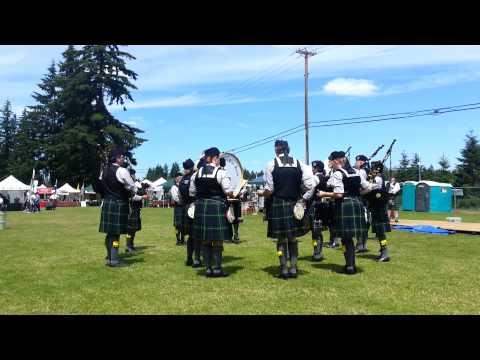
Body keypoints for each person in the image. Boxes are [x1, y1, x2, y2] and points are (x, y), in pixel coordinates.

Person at [258, 140, 314, 279]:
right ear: (288, 149)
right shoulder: (300, 164)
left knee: (281, 239)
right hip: (295, 203)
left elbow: (270, 190)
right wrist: (302, 197)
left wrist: (261, 193)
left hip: (278, 204)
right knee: (293, 238)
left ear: (276, 150)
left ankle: (283, 269)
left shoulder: (271, 164)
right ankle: (293, 268)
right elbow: (310, 185)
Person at [317, 151, 379, 274]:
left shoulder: (338, 174)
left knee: (346, 239)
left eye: (330, 161)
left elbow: (339, 194)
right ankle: (350, 265)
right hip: (357, 204)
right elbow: (368, 187)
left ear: (336, 161)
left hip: (344, 206)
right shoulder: (356, 172)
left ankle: (350, 266)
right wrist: (356, 195)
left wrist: (323, 194)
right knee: (348, 238)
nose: (330, 163)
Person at [99, 148, 148, 268]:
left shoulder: (104, 171)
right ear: (116, 158)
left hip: (107, 203)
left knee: (110, 233)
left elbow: (101, 186)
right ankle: (114, 261)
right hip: (119, 203)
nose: (123, 159)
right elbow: (133, 187)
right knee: (115, 234)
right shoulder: (122, 171)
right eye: (121, 157)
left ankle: (110, 256)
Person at [189, 147, 233, 278]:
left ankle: (208, 269)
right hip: (217, 206)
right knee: (218, 240)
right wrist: (233, 192)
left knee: (205, 240)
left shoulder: (196, 174)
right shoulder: (221, 172)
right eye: (218, 158)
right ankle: (218, 269)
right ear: (215, 158)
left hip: (201, 207)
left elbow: (192, 192)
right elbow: (227, 190)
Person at [303, 160, 332, 262]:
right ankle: (317, 252)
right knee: (317, 232)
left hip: (314, 206)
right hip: (320, 206)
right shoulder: (324, 177)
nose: (312, 169)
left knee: (315, 232)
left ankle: (317, 253)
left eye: (314, 168)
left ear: (317, 168)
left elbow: (310, 190)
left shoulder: (316, 177)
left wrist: (303, 198)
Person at [179, 158, 202, 268]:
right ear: (192, 167)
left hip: (185, 207)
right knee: (196, 235)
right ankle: (196, 259)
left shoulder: (182, 180)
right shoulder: (194, 177)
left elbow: (179, 196)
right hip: (194, 206)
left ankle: (189, 258)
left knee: (190, 237)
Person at [369, 161, 391, 262]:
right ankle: (383, 250)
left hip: (379, 208)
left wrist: (371, 177)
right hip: (377, 207)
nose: (371, 169)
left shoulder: (378, 179)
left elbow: (369, 186)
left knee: (380, 232)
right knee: (379, 232)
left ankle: (385, 252)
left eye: (373, 168)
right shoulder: (378, 178)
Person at [125, 168, 148, 254]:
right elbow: (133, 197)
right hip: (131, 209)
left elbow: (137, 193)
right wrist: (142, 197)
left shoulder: (134, 184)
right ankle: (128, 245)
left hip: (136, 209)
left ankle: (131, 245)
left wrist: (142, 190)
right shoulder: (128, 185)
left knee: (133, 229)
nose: (134, 176)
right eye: (133, 174)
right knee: (129, 229)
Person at [353, 154, 371, 253]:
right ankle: (361, 244)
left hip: (364, 200)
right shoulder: (366, 170)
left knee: (362, 222)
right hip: (365, 200)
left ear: (361, 162)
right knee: (364, 221)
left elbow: (364, 186)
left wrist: (360, 193)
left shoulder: (363, 171)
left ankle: (361, 244)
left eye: (357, 161)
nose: (356, 163)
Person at [171, 173, 185, 246]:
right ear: (176, 178)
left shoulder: (183, 185)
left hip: (183, 207)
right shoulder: (174, 187)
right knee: (177, 225)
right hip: (178, 207)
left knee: (183, 224)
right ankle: (178, 240)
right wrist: (182, 201)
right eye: (179, 177)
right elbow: (176, 197)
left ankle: (183, 239)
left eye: (181, 177)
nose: (180, 179)